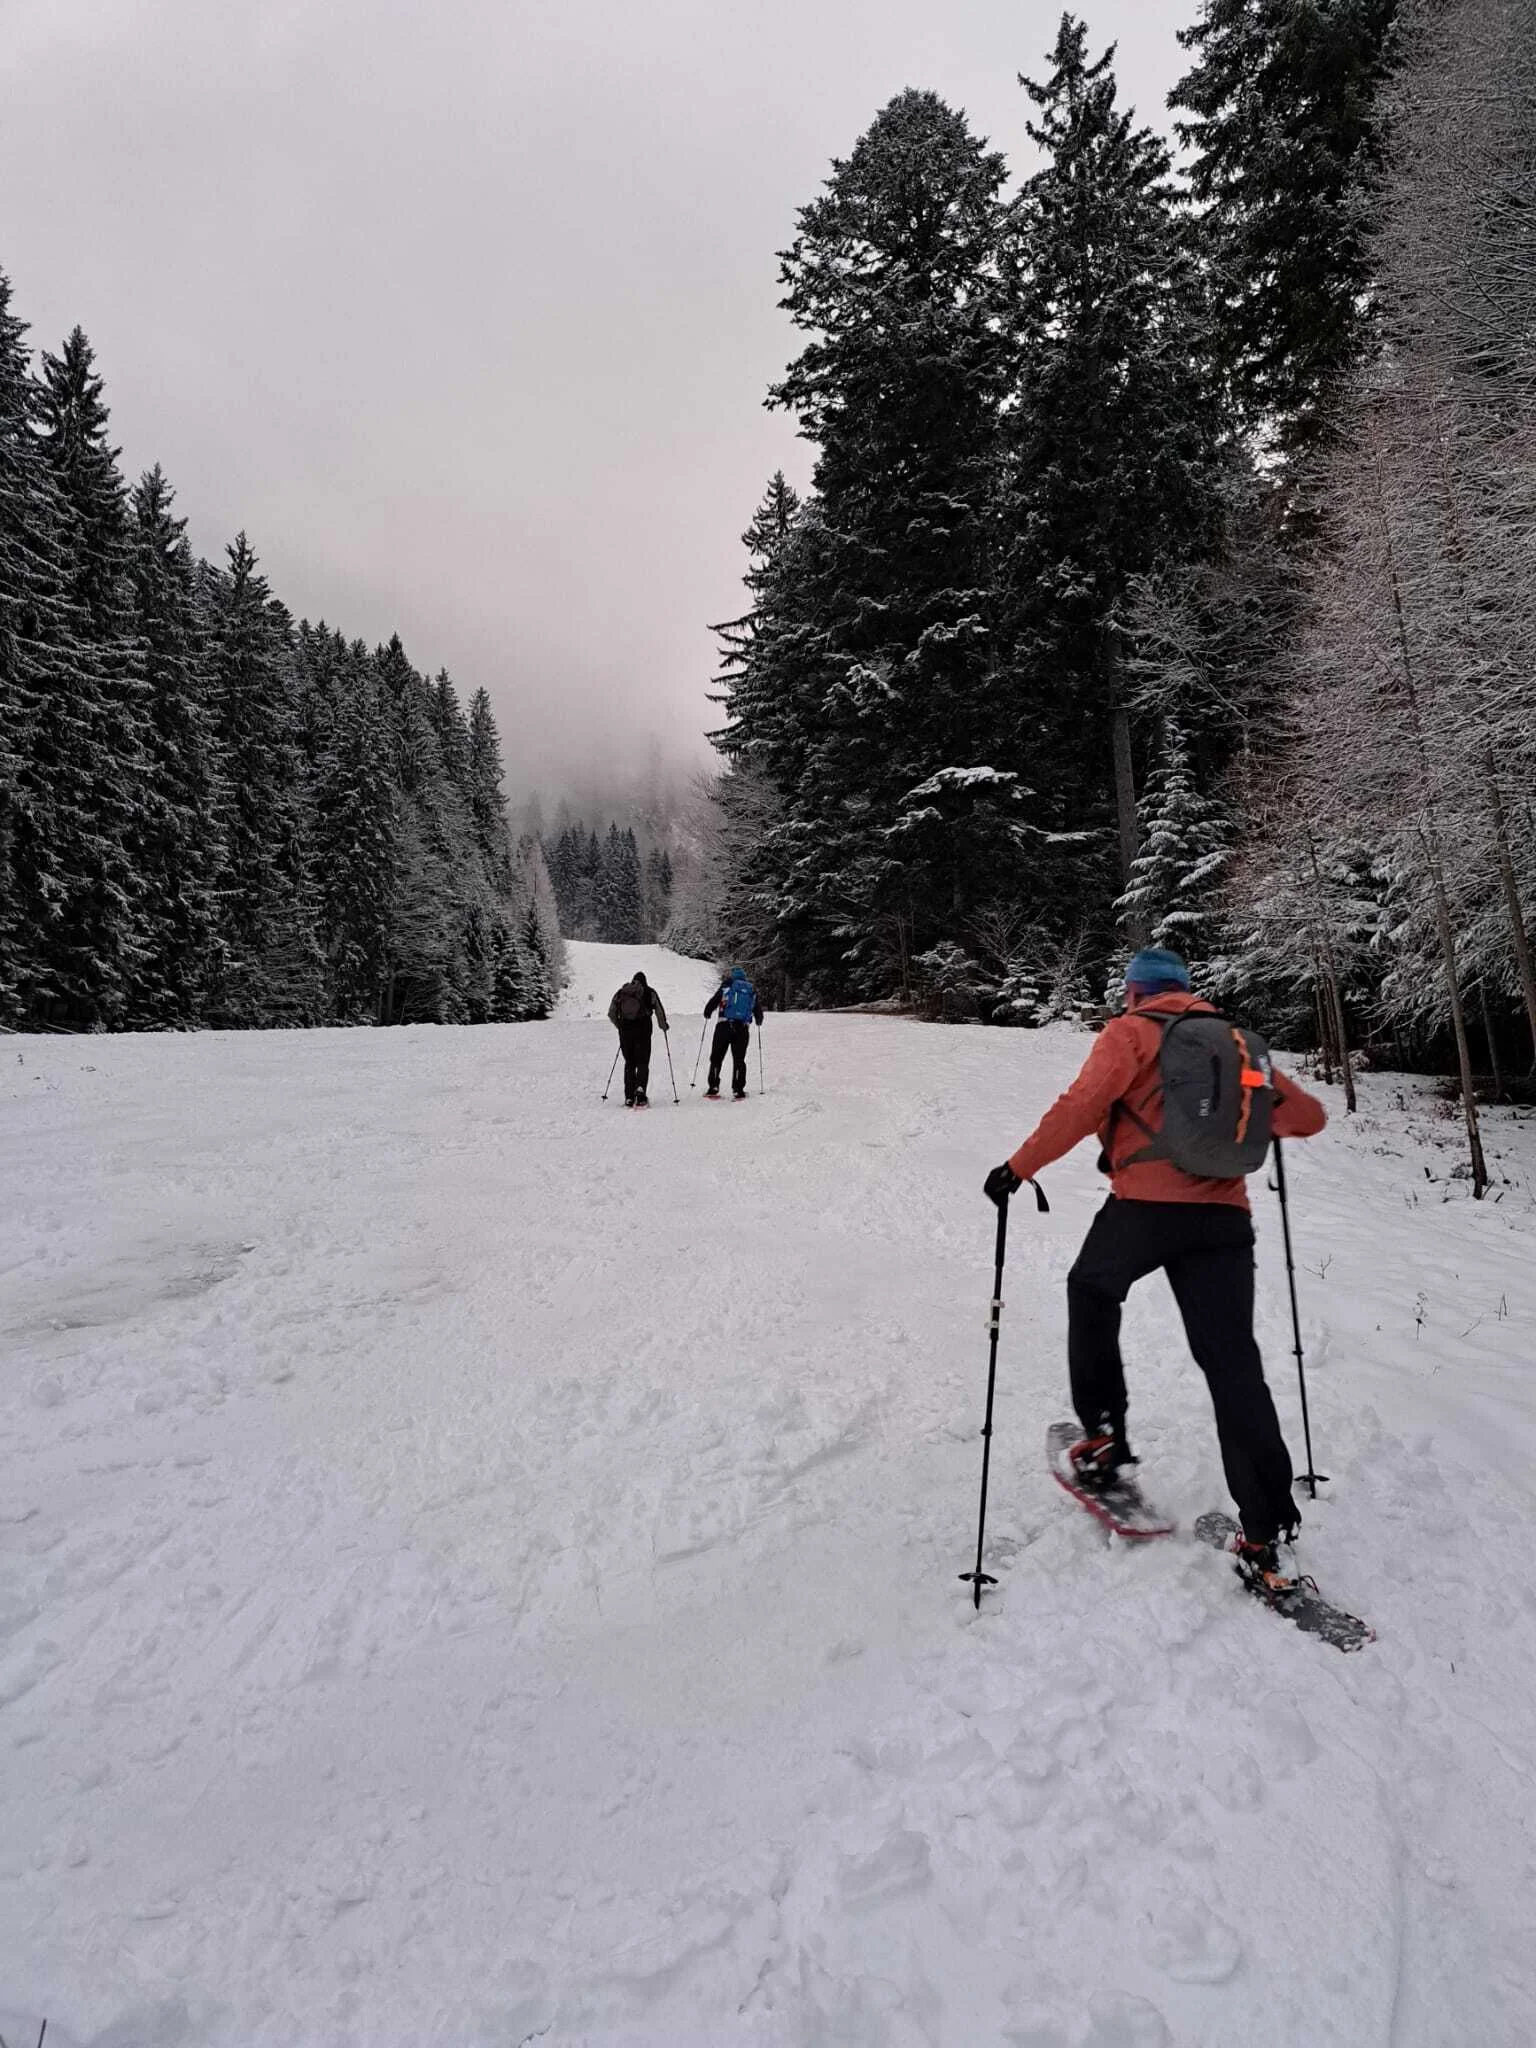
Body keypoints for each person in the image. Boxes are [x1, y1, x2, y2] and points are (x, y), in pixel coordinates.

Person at [983, 946, 1327, 1592]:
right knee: (1233, 1365)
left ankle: (1104, 1443)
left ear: (1136, 992)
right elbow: (1307, 1116)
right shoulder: (1237, 1042)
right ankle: (1264, 1532)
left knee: (1090, 1290)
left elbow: (1082, 1106)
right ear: (1188, 992)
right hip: (1225, 1223)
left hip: (1143, 1211)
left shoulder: (1130, 1033)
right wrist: (1243, 1125)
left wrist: (1018, 1169)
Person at [607, 971, 668, 1107]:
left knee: (629, 1062)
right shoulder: (649, 992)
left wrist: (620, 1026)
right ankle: (640, 1092)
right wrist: (663, 1026)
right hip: (643, 1031)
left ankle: (629, 1097)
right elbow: (659, 1010)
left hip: (626, 1032)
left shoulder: (622, 992)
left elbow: (611, 1013)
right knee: (642, 1062)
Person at [703, 966, 762, 1099]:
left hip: (723, 1026)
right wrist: (759, 1019)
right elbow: (757, 1008)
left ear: (732, 976)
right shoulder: (750, 989)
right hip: (742, 1028)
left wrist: (707, 1012)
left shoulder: (726, 987)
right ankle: (738, 1089)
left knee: (717, 1057)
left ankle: (713, 1087)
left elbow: (713, 1002)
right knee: (739, 1059)